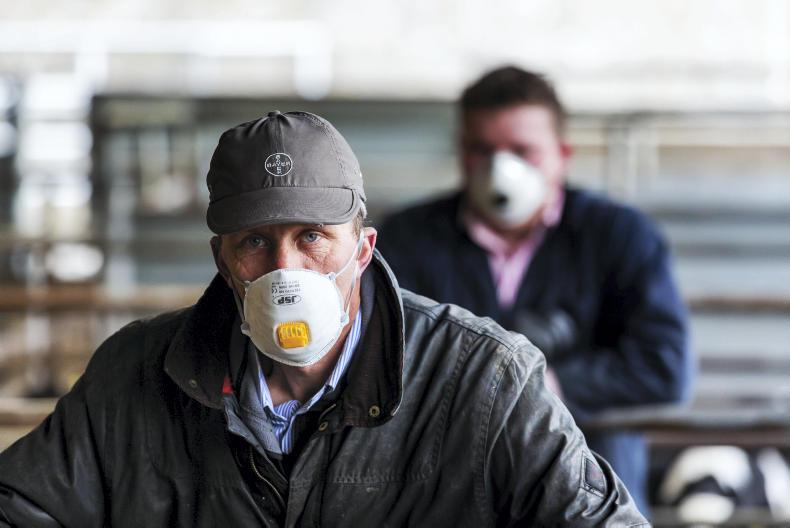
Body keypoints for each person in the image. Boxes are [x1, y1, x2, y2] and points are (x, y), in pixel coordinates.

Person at [0, 111, 647, 526]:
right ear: (223, 260)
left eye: (312, 237)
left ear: (362, 250)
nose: (286, 270)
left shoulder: (484, 383)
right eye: (255, 242)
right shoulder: (138, 375)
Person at [377, 66, 693, 513]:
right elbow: (383, 357)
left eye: (523, 151)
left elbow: (664, 365)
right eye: (482, 150)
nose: (500, 169)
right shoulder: (409, 238)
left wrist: (543, 384)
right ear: (461, 153)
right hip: (450, 486)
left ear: (563, 154)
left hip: (590, 480)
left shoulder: (620, 236)